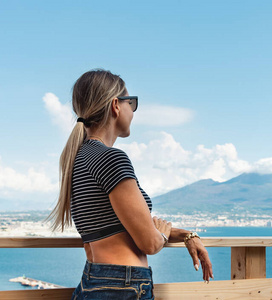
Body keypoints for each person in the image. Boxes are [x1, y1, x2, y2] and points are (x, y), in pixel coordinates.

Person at [48, 69, 213, 300]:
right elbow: (150, 242)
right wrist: (161, 237)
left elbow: (123, 230)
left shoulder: (78, 159)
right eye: (131, 103)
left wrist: (186, 234)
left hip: (93, 281)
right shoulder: (112, 158)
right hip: (123, 285)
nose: (133, 112)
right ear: (116, 105)